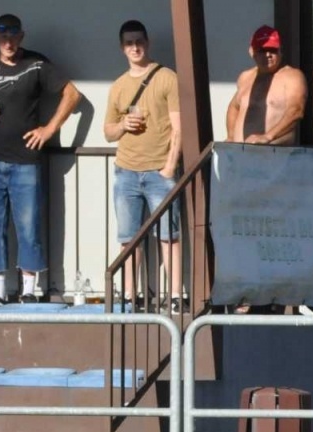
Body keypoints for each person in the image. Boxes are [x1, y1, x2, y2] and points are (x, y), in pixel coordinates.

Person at [0, 13, 83, 304]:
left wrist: (49, 129)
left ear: (21, 36)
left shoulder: (36, 63)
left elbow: (72, 95)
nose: (8, 42)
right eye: (3, 37)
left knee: (28, 225)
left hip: (26, 160)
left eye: (13, 36)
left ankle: (29, 290)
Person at [104, 20, 184, 312]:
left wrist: (169, 167)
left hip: (159, 171)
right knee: (129, 239)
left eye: (139, 41)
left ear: (147, 43)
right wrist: (123, 124)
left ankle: (174, 296)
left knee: (169, 236)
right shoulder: (118, 86)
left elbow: (179, 127)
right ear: (122, 47)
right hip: (126, 170)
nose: (135, 47)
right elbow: (108, 132)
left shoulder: (167, 78)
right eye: (129, 43)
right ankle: (129, 296)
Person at [225, 25, 306, 146]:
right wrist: (231, 137)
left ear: (280, 51)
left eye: (272, 50)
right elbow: (234, 107)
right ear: (252, 51)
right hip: (240, 153)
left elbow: (296, 110)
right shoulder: (245, 77)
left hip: (275, 153)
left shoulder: (292, 76)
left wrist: (268, 137)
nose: (268, 54)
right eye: (262, 50)